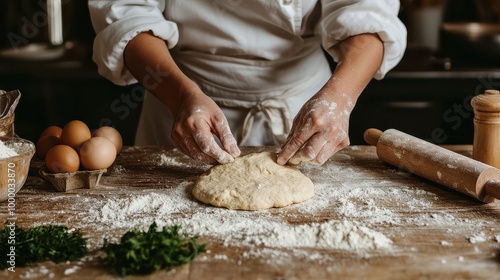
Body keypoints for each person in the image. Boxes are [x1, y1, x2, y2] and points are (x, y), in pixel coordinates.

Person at [88, 0, 406, 166]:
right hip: (178, 98)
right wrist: (180, 95)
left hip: (304, 105)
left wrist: (339, 98)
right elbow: (128, 17)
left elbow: (367, 15)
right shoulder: (179, 96)